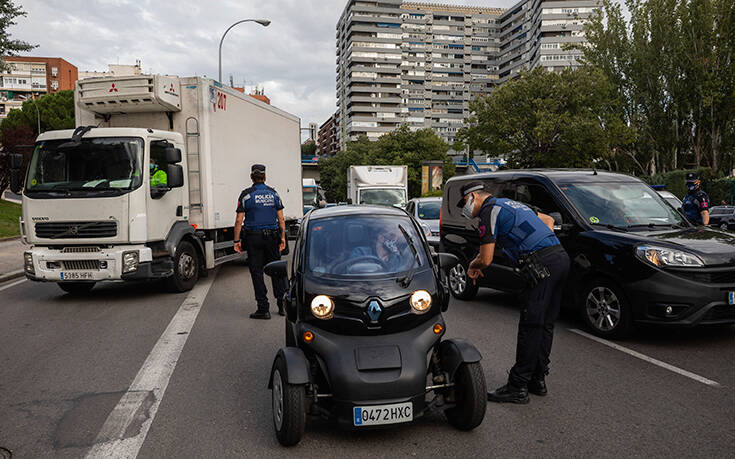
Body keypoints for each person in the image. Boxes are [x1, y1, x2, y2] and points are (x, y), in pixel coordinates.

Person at [457, 181, 570, 404]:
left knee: (530, 325)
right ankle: (537, 379)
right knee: (544, 323)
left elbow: (486, 258)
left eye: (464, 203)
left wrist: (473, 266)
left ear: (473, 197)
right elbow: (548, 220)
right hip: (560, 257)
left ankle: (517, 386)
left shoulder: (489, 211)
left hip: (542, 265)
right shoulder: (512, 204)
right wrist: (539, 246)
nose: (464, 208)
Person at [234, 164, 288, 319]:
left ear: (252, 177)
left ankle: (263, 309)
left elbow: (239, 220)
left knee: (257, 272)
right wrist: (282, 237)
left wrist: (236, 240)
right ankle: (282, 305)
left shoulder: (246, 195)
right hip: (272, 237)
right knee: (277, 271)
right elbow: (281, 219)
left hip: (253, 237)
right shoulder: (273, 193)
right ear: (265, 177)